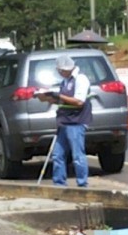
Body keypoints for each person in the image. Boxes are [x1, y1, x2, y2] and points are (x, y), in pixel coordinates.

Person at [36, 56, 92, 187]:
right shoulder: (65, 81)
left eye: (60, 70)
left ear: (66, 69)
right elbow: (64, 101)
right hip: (64, 122)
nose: (59, 73)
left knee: (77, 156)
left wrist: (58, 96)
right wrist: (48, 98)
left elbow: (79, 101)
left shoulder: (81, 79)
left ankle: (83, 184)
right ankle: (59, 184)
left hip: (76, 122)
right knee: (57, 155)